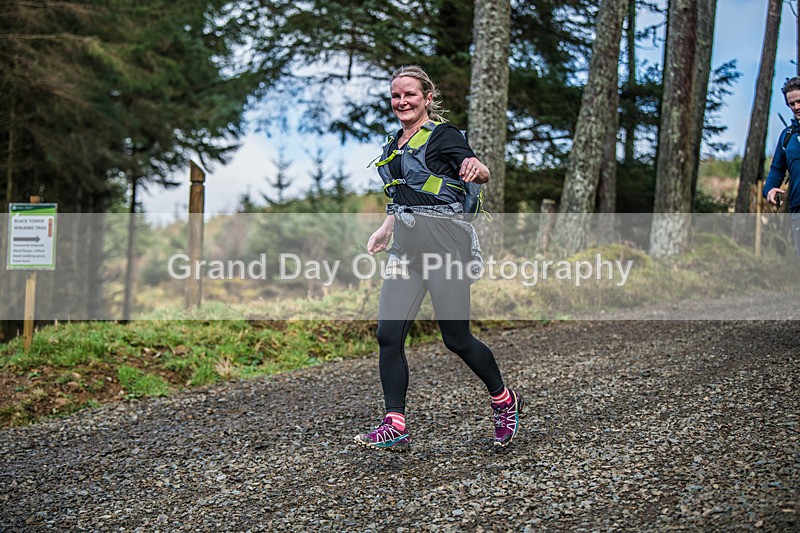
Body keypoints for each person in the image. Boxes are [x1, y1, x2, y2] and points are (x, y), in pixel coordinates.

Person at [353, 65, 523, 451]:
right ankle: (394, 422)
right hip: (407, 252)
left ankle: (503, 399)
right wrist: (385, 228)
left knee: (457, 339)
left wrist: (479, 170)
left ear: (427, 98)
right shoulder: (393, 145)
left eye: (410, 95)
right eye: (396, 96)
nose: (402, 102)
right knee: (388, 334)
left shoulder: (444, 136)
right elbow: (401, 196)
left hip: (446, 248)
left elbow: (478, 169)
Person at [764, 76, 800, 256]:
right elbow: (777, 169)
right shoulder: (788, 137)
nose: (797, 107)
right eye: (792, 104)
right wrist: (769, 189)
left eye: (799, 101)